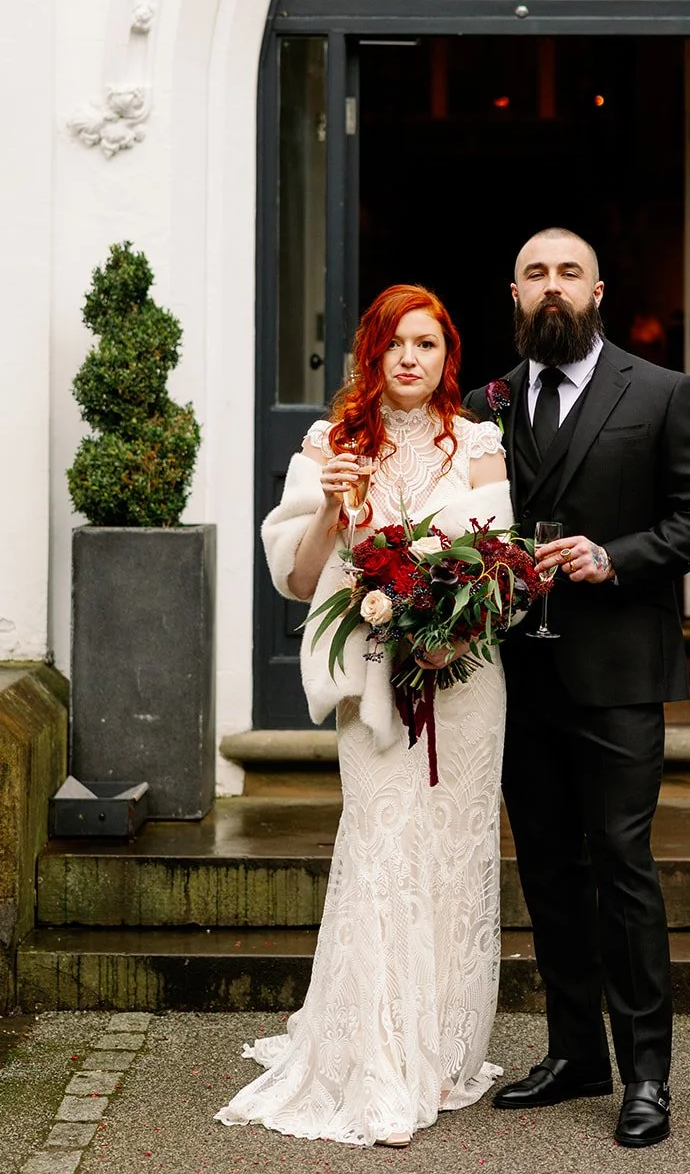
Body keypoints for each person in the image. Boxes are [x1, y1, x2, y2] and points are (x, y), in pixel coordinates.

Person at [218, 285, 512, 1148]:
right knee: (383, 847)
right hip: (375, 677)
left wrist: (446, 637)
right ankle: (381, 1060)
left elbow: (495, 568)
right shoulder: (330, 445)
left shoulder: (480, 442)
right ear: (371, 356)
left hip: (464, 684)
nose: (410, 358)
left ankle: (443, 1046)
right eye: (395, 344)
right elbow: (303, 580)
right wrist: (330, 509)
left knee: (455, 851)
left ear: (445, 355)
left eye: (427, 343)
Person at [465, 228, 690, 1150]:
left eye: (566, 274)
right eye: (534, 273)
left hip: (619, 672)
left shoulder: (660, 392)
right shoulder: (485, 401)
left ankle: (646, 1075)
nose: (551, 287)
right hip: (515, 674)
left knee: (621, 865)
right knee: (545, 868)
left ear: (597, 292)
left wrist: (612, 557)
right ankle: (575, 1054)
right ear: (514, 292)